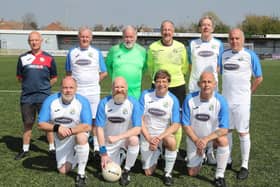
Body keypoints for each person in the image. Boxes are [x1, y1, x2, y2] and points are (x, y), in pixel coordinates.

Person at [221, 28, 263, 180]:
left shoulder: (250, 55)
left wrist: (249, 93)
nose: (234, 41)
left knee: (243, 132)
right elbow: (219, 74)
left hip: (242, 103)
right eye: (232, 38)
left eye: (237, 38)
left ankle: (244, 165)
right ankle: (229, 160)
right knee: (228, 131)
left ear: (243, 40)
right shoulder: (224, 55)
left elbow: (259, 78)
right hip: (226, 102)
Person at [38, 76, 92, 187]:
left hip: (77, 132)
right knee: (62, 170)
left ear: (76, 89)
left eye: (71, 88)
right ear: (60, 88)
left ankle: (81, 174)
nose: (68, 90)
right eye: (65, 87)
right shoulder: (51, 100)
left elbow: (87, 126)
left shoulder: (82, 101)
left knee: (81, 137)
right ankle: (80, 154)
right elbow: (41, 124)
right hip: (61, 136)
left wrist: (70, 130)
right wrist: (57, 128)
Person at [147, 20, 188, 157]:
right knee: (156, 116)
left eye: (169, 29)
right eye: (164, 29)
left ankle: (173, 149)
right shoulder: (153, 47)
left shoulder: (181, 47)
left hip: (177, 86)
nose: (167, 32)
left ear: (173, 31)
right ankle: (157, 145)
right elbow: (150, 67)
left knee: (177, 119)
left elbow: (184, 67)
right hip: (158, 85)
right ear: (161, 31)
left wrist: (174, 78)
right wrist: (159, 80)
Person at [181, 72, 230, 187]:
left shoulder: (221, 101)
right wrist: (197, 141)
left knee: (223, 140)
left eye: (209, 82)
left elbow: (224, 129)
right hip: (194, 138)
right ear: (199, 84)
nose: (206, 85)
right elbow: (185, 125)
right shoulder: (190, 99)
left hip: (211, 138)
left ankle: (219, 175)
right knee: (192, 172)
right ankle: (203, 156)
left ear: (215, 84)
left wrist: (206, 140)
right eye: (203, 82)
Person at [15, 31, 57, 160]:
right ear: (29, 42)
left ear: (41, 41)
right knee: (28, 123)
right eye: (31, 40)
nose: (34, 42)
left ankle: (52, 149)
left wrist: (43, 88)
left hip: (44, 97)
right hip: (27, 97)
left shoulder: (49, 58)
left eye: (36, 40)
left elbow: (54, 77)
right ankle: (25, 149)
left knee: (47, 124)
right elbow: (19, 77)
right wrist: (30, 87)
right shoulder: (22, 58)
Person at [187, 16, 224, 164]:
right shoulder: (192, 44)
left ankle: (209, 151)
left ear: (213, 28)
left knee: (212, 120)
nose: (206, 27)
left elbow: (219, 66)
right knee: (192, 119)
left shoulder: (219, 44)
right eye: (203, 25)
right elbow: (190, 65)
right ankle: (193, 149)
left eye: (209, 25)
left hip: (211, 88)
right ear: (199, 28)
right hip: (194, 87)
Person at [65, 26, 107, 155]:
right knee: (76, 117)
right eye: (82, 36)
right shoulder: (72, 52)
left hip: (93, 92)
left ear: (91, 38)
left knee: (94, 119)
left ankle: (94, 145)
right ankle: (76, 142)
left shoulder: (96, 52)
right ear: (79, 37)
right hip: (77, 92)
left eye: (87, 37)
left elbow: (104, 72)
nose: (85, 39)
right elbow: (68, 72)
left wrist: (93, 82)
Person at [95, 77, 142, 186]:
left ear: (126, 88)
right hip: (109, 142)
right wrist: (103, 152)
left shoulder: (133, 102)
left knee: (134, 140)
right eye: (116, 87)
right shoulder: (104, 103)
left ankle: (127, 170)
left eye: (122, 87)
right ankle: (121, 155)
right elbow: (99, 128)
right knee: (108, 169)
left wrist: (118, 137)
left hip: (124, 140)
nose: (119, 89)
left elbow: (137, 129)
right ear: (112, 88)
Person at [139, 70, 181, 186]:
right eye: (158, 81)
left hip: (162, 135)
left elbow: (176, 125)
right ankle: (158, 151)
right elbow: (139, 119)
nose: (161, 84)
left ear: (169, 83)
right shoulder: (145, 95)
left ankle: (167, 173)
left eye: (164, 81)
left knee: (171, 141)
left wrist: (158, 138)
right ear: (154, 83)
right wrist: (149, 138)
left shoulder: (173, 100)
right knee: (148, 172)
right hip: (147, 134)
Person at [106, 25, 147, 99]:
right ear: (122, 37)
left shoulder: (142, 51)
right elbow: (108, 67)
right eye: (126, 37)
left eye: (131, 37)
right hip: (117, 91)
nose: (128, 39)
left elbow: (144, 69)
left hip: (135, 94)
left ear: (136, 37)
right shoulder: (114, 50)